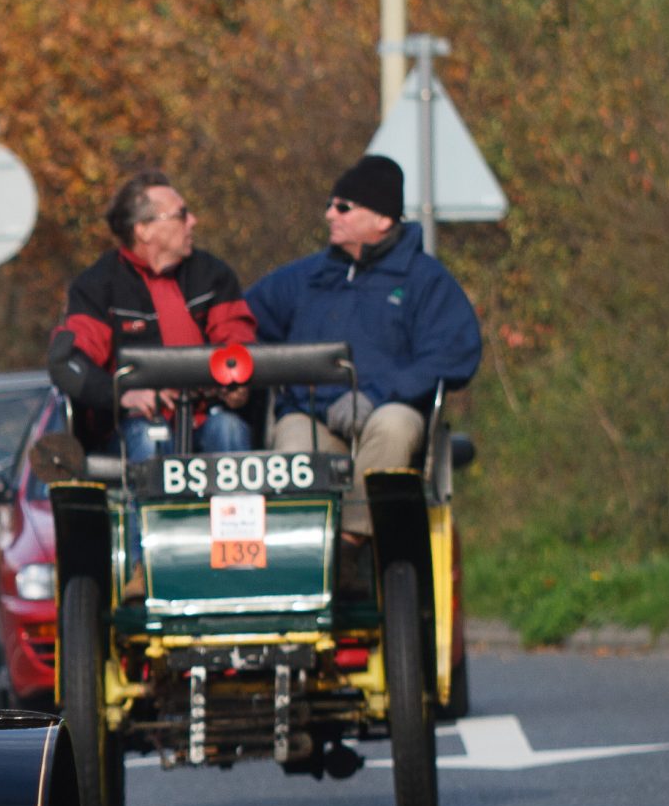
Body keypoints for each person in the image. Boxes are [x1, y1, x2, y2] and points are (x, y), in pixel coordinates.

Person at [247, 153, 483, 548]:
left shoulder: (425, 281)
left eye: (343, 207)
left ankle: (353, 543)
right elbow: (241, 322)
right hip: (312, 414)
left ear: (383, 220)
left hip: (385, 412)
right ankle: (302, 550)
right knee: (293, 441)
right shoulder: (305, 278)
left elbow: (453, 353)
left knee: (395, 426)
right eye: (329, 205)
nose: (329, 215)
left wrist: (375, 395)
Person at [45, 170, 256, 468]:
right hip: (133, 426)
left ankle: (238, 514)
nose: (193, 221)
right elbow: (69, 360)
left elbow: (238, 337)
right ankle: (154, 516)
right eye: (182, 214)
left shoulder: (212, 276)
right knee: (149, 437)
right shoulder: (98, 286)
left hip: (207, 416)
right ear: (143, 229)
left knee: (230, 429)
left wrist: (237, 383)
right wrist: (124, 395)